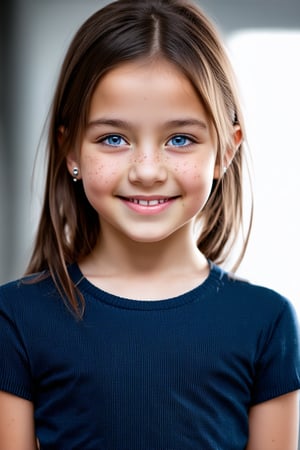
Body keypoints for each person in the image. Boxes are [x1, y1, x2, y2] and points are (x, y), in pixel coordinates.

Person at [0, 0, 299, 448]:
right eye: (113, 138)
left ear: (226, 150)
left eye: (180, 139)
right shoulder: (15, 318)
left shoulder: (266, 322)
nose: (146, 170)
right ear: (71, 150)